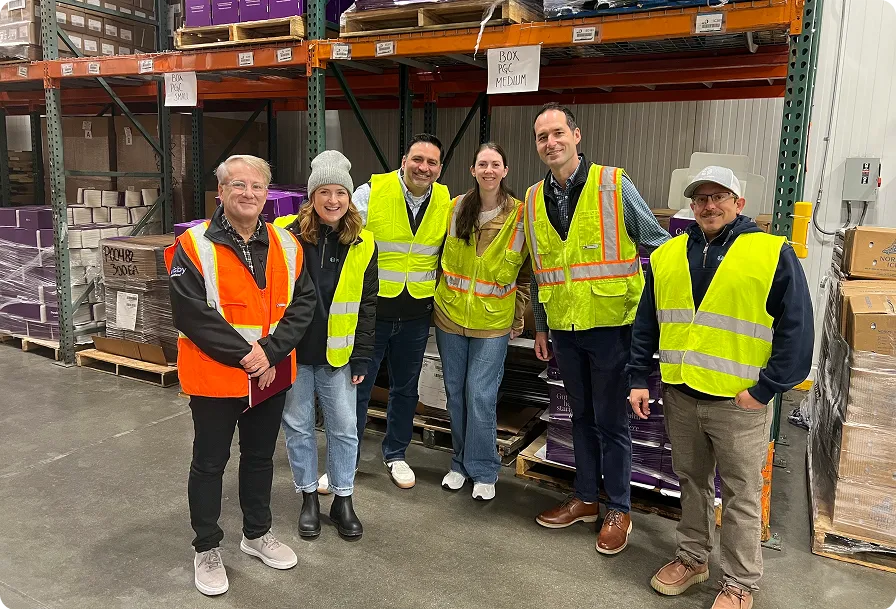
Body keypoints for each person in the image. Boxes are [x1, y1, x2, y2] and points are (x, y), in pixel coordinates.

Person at [627, 166, 813, 610]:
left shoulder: (771, 253)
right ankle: (692, 558)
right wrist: (638, 378)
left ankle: (740, 582)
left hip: (739, 402)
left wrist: (766, 389)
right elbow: (646, 321)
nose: (709, 205)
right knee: (690, 481)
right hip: (682, 393)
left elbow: (797, 328)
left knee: (740, 492)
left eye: (719, 197)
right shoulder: (668, 255)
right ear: (691, 207)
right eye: (700, 199)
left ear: (738, 203)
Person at [166, 154, 316, 596]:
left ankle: (256, 534)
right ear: (221, 193)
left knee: (259, 459)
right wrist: (248, 355)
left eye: (256, 186)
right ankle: (207, 547)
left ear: (266, 194)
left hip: (270, 376)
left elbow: (304, 304)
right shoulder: (194, 245)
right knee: (210, 463)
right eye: (238, 185)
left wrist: (268, 353)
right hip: (217, 377)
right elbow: (191, 313)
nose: (247, 193)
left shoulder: (288, 245)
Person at [525, 103, 670, 554]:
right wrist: (543, 328)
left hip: (612, 328)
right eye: (542, 137)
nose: (551, 142)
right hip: (565, 328)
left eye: (557, 133)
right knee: (580, 418)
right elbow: (541, 268)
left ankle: (619, 509)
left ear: (577, 135)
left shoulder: (613, 184)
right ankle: (586, 498)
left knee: (611, 422)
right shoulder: (533, 198)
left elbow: (659, 245)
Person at [280, 151, 378, 541]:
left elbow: (369, 303)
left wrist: (363, 355)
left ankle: (342, 498)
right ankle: (308, 497)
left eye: (341, 192)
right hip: (294, 353)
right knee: (299, 427)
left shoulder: (363, 242)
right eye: (325, 191)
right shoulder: (286, 236)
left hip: (339, 355)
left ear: (350, 197)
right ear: (312, 196)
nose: (333, 200)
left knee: (344, 429)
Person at [350, 133, 452, 490]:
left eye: (432, 162)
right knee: (358, 386)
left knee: (406, 389)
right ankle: (346, 458)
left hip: (416, 312)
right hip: (373, 312)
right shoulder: (371, 192)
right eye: (418, 159)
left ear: (440, 168)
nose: (424, 167)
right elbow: (344, 237)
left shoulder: (445, 199)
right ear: (404, 159)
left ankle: (396, 454)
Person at [434, 143, 530, 502]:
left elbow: (525, 276)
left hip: (493, 322)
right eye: (482, 164)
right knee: (455, 394)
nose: (489, 170)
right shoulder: (457, 207)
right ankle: (459, 464)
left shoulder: (520, 216)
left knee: (481, 395)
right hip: (450, 317)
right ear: (472, 170)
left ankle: (485, 469)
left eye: (495, 164)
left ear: (505, 171)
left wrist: (518, 315)